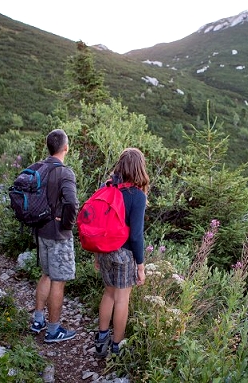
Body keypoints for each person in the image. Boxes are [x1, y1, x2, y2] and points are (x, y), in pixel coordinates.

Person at [94, 147, 149, 357]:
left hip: (104, 251)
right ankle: (117, 346)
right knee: (122, 299)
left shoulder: (106, 187)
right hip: (125, 254)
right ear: (139, 168)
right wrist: (141, 266)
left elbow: (99, 223)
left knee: (108, 294)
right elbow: (136, 235)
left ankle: (101, 341)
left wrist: (96, 255)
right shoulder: (137, 196)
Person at [30, 129, 79, 343]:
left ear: (48, 146)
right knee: (58, 281)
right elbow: (71, 202)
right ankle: (53, 330)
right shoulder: (65, 173)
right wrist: (67, 225)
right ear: (66, 148)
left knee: (46, 275)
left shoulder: (38, 168)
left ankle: (38, 320)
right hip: (58, 235)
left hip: (40, 231)